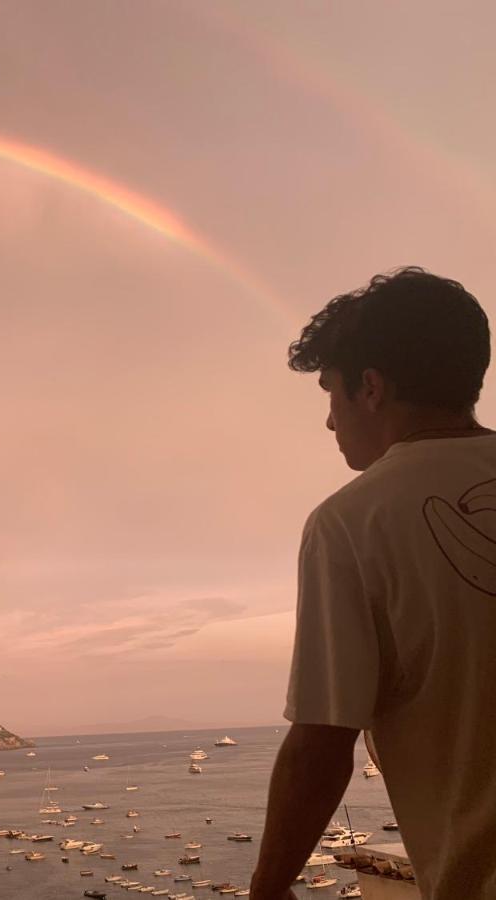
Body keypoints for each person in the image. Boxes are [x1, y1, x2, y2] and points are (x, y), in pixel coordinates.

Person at [250, 267, 496, 900]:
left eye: (330, 394)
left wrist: (267, 889)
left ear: (371, 388)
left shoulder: (352, 522)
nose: (331, 424)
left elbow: (323, 743)